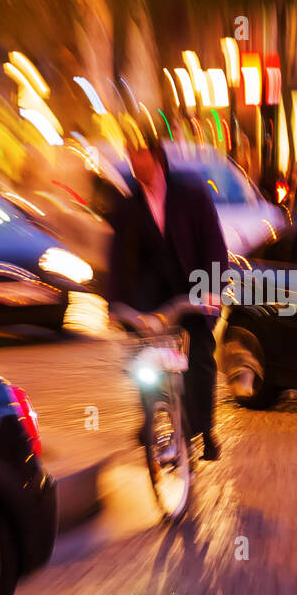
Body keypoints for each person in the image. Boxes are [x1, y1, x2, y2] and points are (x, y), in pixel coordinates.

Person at [107, 121, 228, 461]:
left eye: (139, 153)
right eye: (129, 154)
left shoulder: (191, 195)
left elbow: (214, 246)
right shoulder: (128, 206)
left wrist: (213, 290)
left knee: (200, 359)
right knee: (141, 362)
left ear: (156, 153)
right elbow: (118, 259)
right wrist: (115, 304)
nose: (133, 161)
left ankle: (204, 429)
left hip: (193, 291)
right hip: (151, 298)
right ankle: (151, 417)